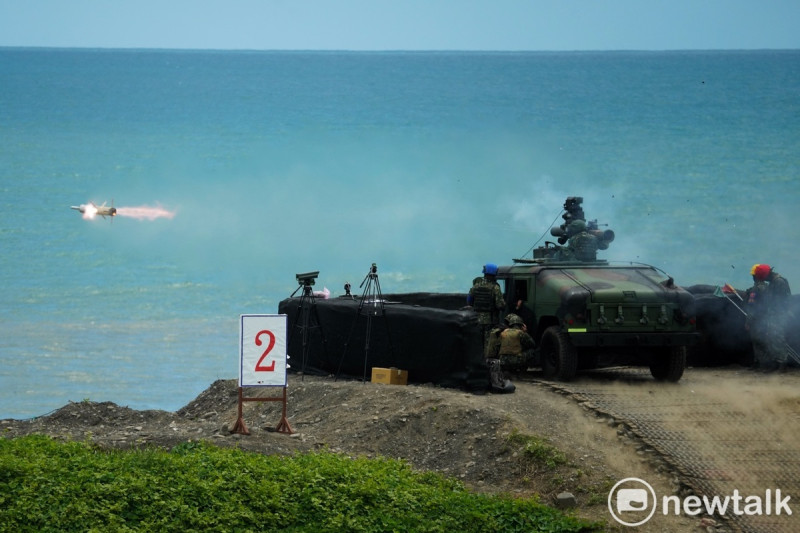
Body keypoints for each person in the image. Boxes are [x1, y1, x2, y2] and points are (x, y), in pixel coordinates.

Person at [467, 263, 505, 344]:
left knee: (477, 342)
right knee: (488, 343)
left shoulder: (476, 285)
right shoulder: (495, 287)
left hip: (477, 319)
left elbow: (469, 301)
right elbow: (500, 305)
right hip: (491, 321)